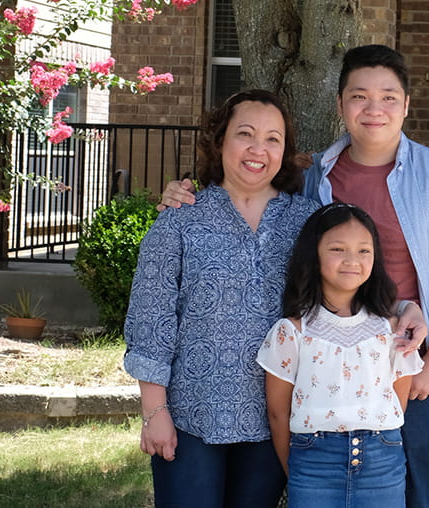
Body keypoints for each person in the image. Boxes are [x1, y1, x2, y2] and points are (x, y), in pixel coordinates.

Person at [159, 44, 429, 507]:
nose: (374, 108)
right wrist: (181, 191)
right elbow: (255, 197)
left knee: (412, 494)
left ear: (407, 104)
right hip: (325, 377)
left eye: (389, 97)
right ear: (339, 104)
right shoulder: (315, 177)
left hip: (408, 369)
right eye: (359, 96)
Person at [123, 89, 321, 507]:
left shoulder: (307, 223)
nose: (257, 149)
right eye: (244, 134)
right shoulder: (179, 217)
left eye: (273, 139)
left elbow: (342, 295)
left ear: (284, 151)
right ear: (219, 141)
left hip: (275, 417)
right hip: (191, 416)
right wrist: (155, 413)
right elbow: (151, 319)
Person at [257, 202, 424, 507]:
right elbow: (278, 413)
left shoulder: (391, 330)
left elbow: (398, 400)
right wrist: (295, 469)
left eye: (364, 250)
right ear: (314, 255)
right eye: (337, 249)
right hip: (313, 463)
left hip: (382, 461)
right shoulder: (292, 331)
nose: (352, 260)